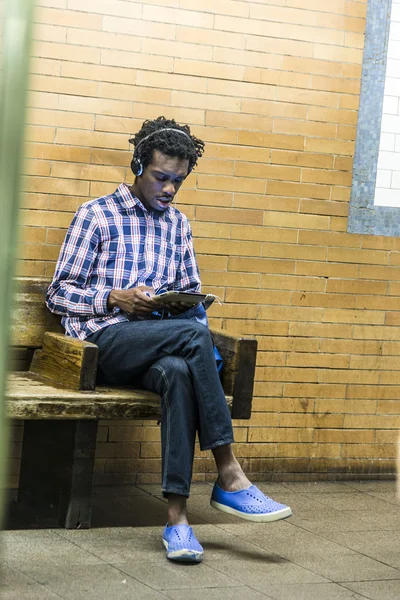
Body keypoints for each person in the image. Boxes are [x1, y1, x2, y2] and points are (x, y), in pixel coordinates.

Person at [46, 116, 292, 563]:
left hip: (163, 342)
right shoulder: (96, 215)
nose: (170, 189)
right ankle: (229, 472)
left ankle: (177, 522)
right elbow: (58, 293)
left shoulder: (177, 225)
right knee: (193, 338)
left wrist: (183, 303)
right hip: (105, 344)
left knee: (181, 369)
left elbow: (191, 292)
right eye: (162, 178)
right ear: (138, 165)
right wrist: (115, 298)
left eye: (178, 181)